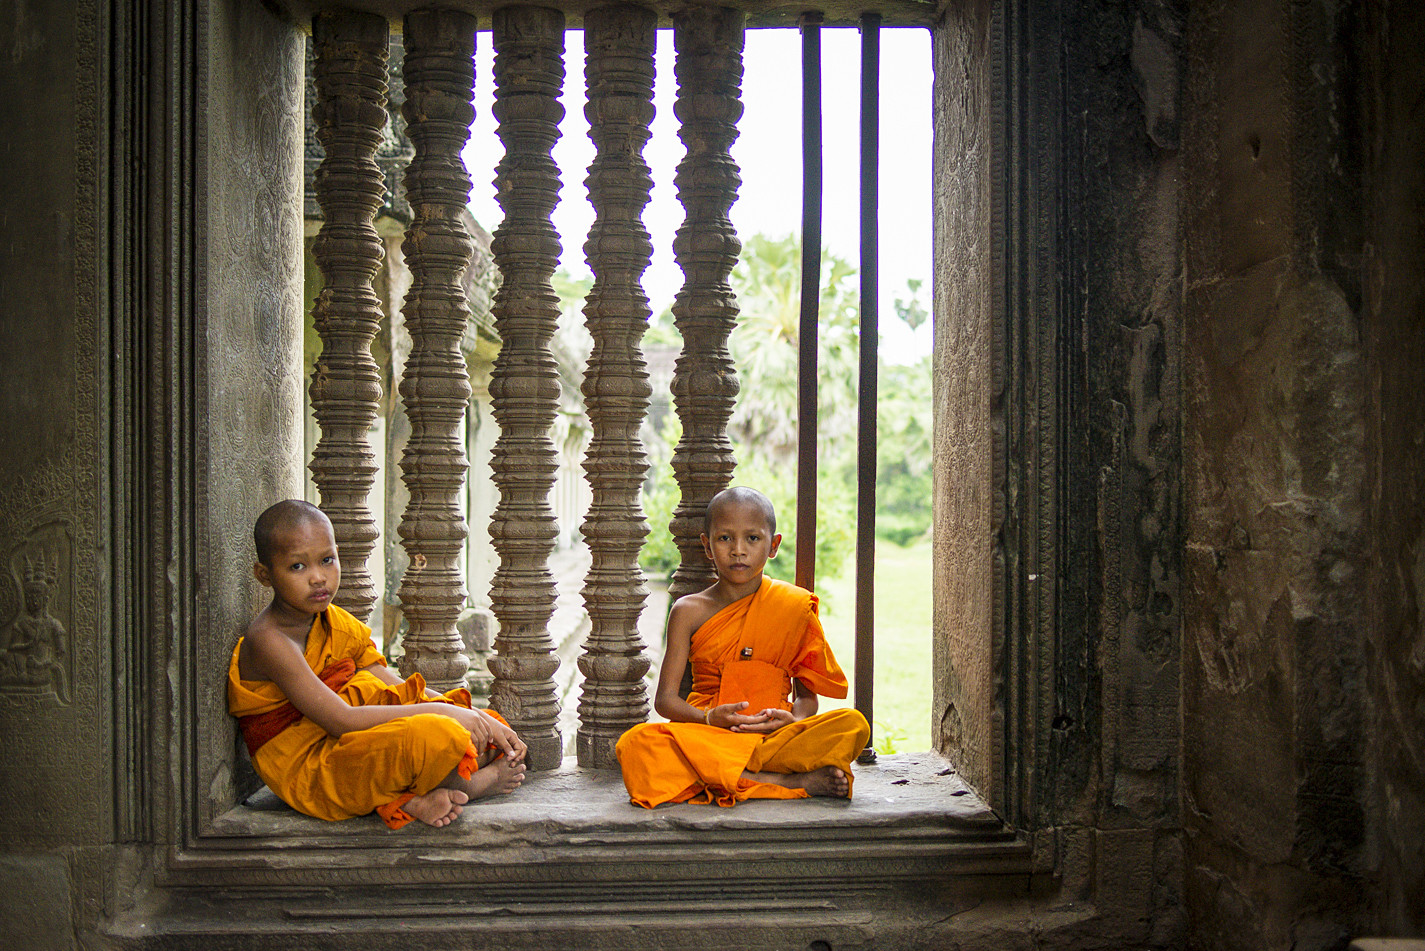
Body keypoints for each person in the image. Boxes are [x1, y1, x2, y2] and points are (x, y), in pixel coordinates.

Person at [227, 499, 526, 829]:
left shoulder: (334, 621)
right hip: (311, 765)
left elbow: (394, 687)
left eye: (327, 560)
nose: (318, 578)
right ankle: (474, 785)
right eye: (298, 567)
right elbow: (342, 720)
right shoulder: (270, 640)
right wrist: (447, 714)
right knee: (441, 737)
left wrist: (474, 715)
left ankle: (411, 798)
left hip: (348, 740)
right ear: (264, 575)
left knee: (485, 732)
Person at [616, 487, 870, 808]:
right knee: (637, 746)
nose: (738, 550)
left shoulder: (793, 606)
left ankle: (732, 774)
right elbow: (666, 701)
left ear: (773, 545)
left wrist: (790, 719)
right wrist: (708, 719)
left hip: (774, 738)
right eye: (725, 539)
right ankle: (783, 781)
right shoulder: (688, 610)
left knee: (852, 724)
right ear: (707, 546)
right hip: (710, 735)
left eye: (752, 538)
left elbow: (807, 699)